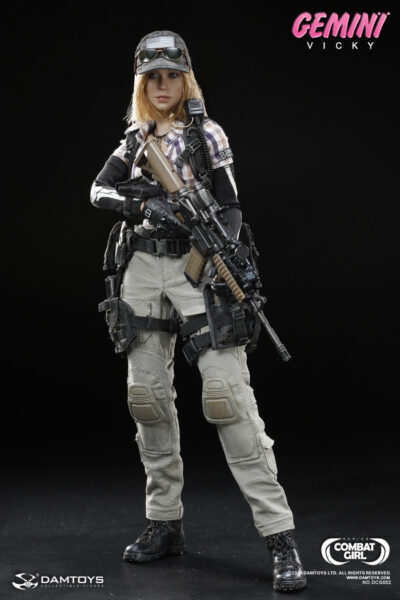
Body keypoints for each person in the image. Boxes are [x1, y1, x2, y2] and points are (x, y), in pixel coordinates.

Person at [90, 30, 307, 593]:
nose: (162, 86)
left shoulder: (206, 134)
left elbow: (229, 205)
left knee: (227, 397)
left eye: (172, 76)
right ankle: (164, 523)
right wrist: (144, 202)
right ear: (141, 84)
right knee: (147, 398)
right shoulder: (135, 138)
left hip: (198, 267)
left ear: (185, 79)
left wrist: (221, 254)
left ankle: (280, 537)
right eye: (152, 78)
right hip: (142, 269)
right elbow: (99, 191)